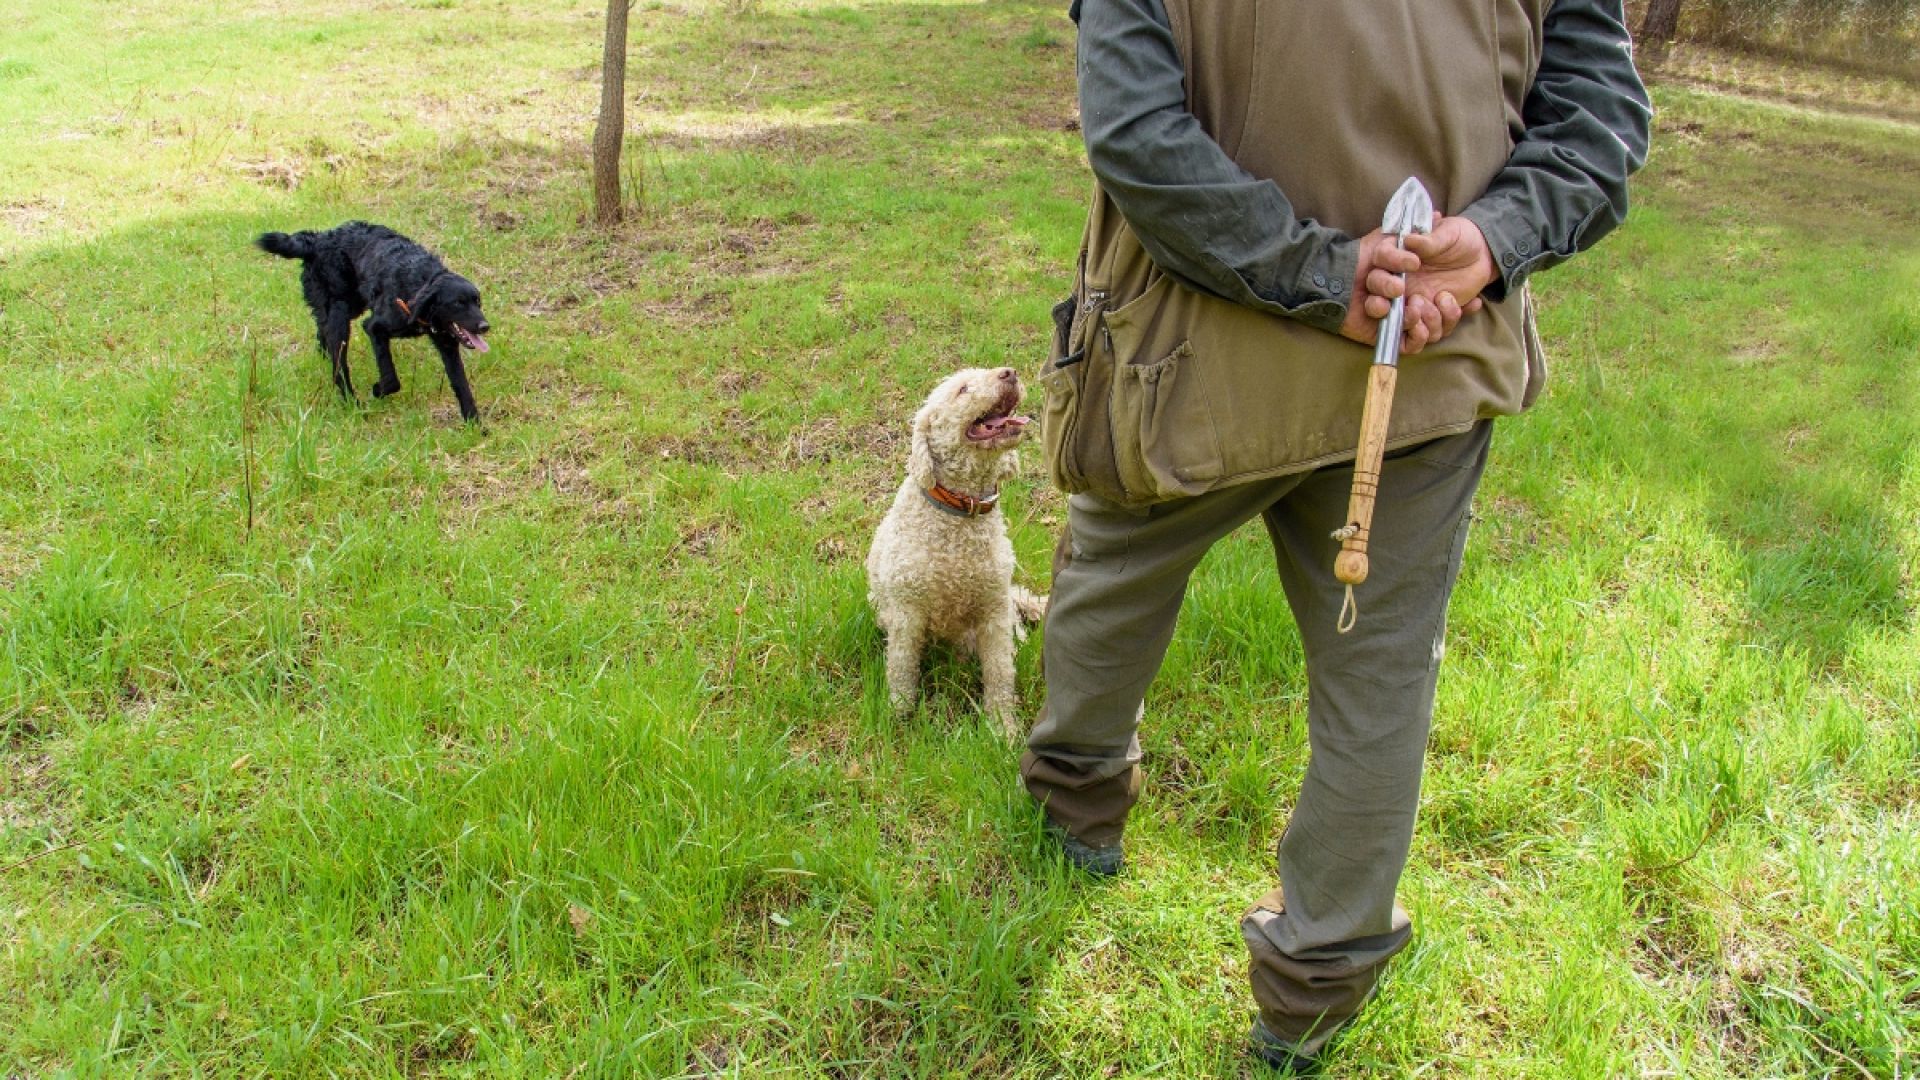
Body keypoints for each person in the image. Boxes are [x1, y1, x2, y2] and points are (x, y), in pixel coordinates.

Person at [1023, 0, 1651, 1069]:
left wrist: (1351, 270)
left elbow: (1133, 129)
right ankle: (1314, 992)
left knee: (1118, 576)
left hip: (1190, 366)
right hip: (1424, 363)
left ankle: (1076, 812)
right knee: (1381, 682)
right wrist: (1481, 246)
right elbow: (1597, 122)